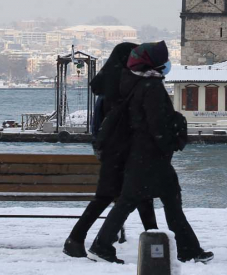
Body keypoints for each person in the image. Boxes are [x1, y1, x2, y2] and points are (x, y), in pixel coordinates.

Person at [88, 41, 213, 265]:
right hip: (151, 155)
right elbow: (157, 124)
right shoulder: (152, 86)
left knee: (163, 200)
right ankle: (102, 245)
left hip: (141, 153)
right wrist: (170, 142)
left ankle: (189, 248)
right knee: (143, 201)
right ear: (152, 62)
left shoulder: (134, 82)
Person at [63, 42, 158, 258]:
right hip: (126, 152)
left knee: (113, 197)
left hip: (112, 152)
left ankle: (77, 239)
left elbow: (98, 124)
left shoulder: (106, 85)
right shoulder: (126, 85)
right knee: (139, 197)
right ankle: (154, 244)